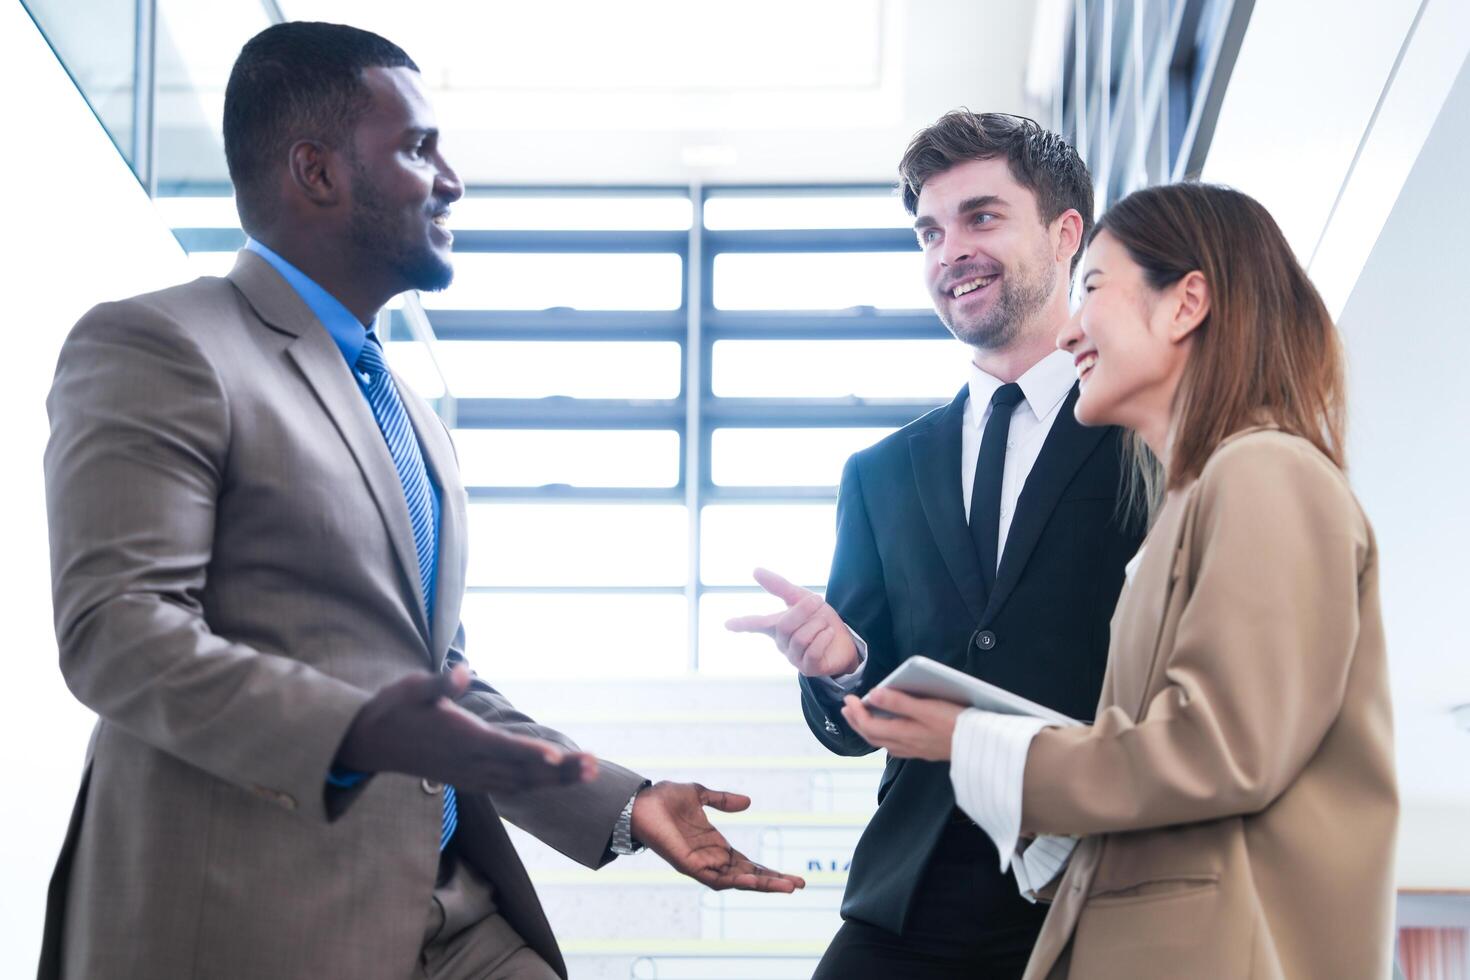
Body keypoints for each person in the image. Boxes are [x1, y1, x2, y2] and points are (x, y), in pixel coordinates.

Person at [40, 21, 800, 980]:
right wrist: (350, 730)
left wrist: (621, 800)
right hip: (256, 915)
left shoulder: (406, 410)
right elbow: (120, 633)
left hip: (451, 906)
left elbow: (435, 677)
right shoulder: (162, 345)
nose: (452, 180)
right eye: (416, 148)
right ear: (315, 172)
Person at [841, 182, 1397, 979]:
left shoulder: (1265, 472)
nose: (1068, 332)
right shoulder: (1201, 499)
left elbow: (1220, 750)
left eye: (1093, 288)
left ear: (1186, 305)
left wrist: (974, 741)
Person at [726, 112, 1144, 978]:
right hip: (914, 892)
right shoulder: (881, 473)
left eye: (981, 218)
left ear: (1066, 234)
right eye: (930, 230)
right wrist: (839, 664)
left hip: (1098, 883)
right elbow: (851, 730)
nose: (950, 249)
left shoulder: (1148, 433)